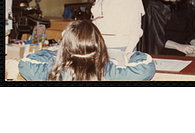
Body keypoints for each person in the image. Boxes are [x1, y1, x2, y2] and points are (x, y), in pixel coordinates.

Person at [18, 20, 156, 81]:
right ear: (99, 44)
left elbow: (25, 62)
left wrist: (56, 51)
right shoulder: (109, 70)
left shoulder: (52, 72)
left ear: (66, 47)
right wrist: (132, 55)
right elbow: (147, 66)